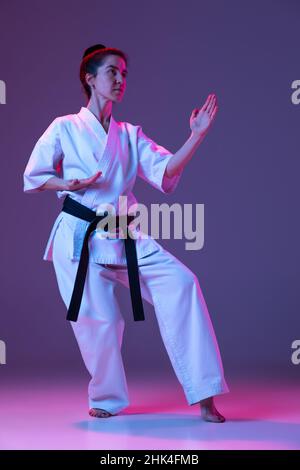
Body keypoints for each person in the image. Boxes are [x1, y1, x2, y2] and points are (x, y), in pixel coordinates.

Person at [23, 44, 229, 423]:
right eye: (112, 72)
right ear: (90, 78)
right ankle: (107, 396)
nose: (120, 80)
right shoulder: (64, 127)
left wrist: (196, 136)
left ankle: (205, 393)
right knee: (99, 321)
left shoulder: (128, 134)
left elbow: (165, 171)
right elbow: (33, 176)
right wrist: (70, 182)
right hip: (78, 237)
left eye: (124, 74)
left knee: (182, 283)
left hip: (124, 234)